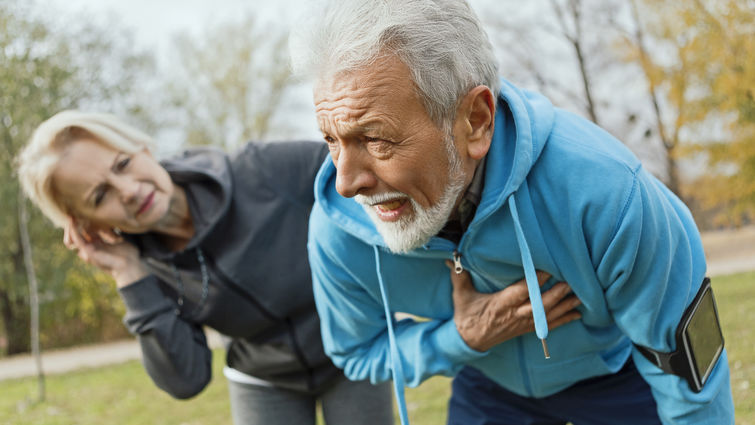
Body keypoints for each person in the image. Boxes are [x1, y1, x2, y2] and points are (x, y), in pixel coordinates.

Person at [288, 0, 735, 424]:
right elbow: (355, 353)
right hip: (489, 382)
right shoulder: (337, 226)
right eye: (331, 140)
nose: (345, 183)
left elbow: (689, 366)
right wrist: (462, 338)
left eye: (375, 139)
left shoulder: (608, 192)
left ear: (475, 120)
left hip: (617, 375)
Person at [16, 110, 395, 425]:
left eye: (123, 164)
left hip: (351, 352)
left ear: (144, 148)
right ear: (88, 225)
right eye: (100, 196)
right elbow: (186, 380)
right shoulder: (147, 268)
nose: (128, 190)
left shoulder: (264, 170)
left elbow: (371, 179)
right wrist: (129, 274)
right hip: (261, 379)